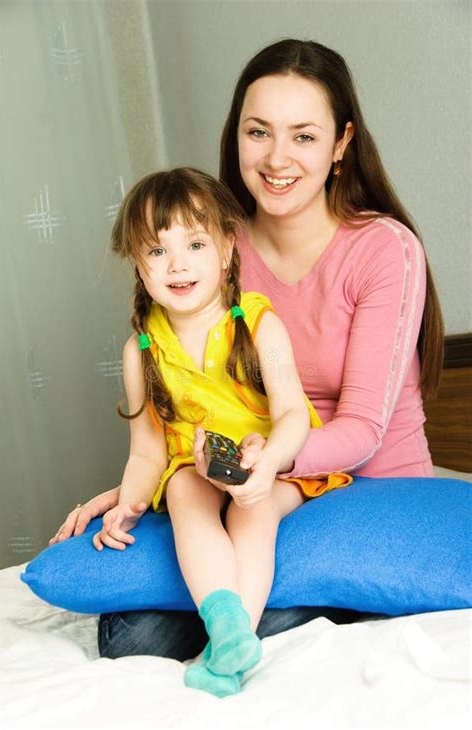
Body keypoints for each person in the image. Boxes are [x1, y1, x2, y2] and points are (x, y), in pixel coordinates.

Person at [50, 39, 443, 666]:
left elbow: (363, 429)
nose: (277, 158)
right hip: (237, 478)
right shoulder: (214, 247)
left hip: (363, 487)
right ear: (236, 136)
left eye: (304, 136)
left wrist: (266, 462)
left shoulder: (383, 250)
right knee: (126, 636)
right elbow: (189, 397)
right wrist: (132, 487)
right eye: (258, 132)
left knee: (174, 628)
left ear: (342, 144)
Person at [81, 165, 350, 697]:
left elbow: (293, 412)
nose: (177, 265)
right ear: (138, 263)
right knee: (181, 489)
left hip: (272, 460)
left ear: (228, 248)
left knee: (256, 506)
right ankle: (226, 623)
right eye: (157, 251)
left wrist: (269, 462)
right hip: (198, 464)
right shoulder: (141, 351)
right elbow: (147, 453)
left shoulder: (259, 324)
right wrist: (129, 502)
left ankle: (231, 644)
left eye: (195, 244)